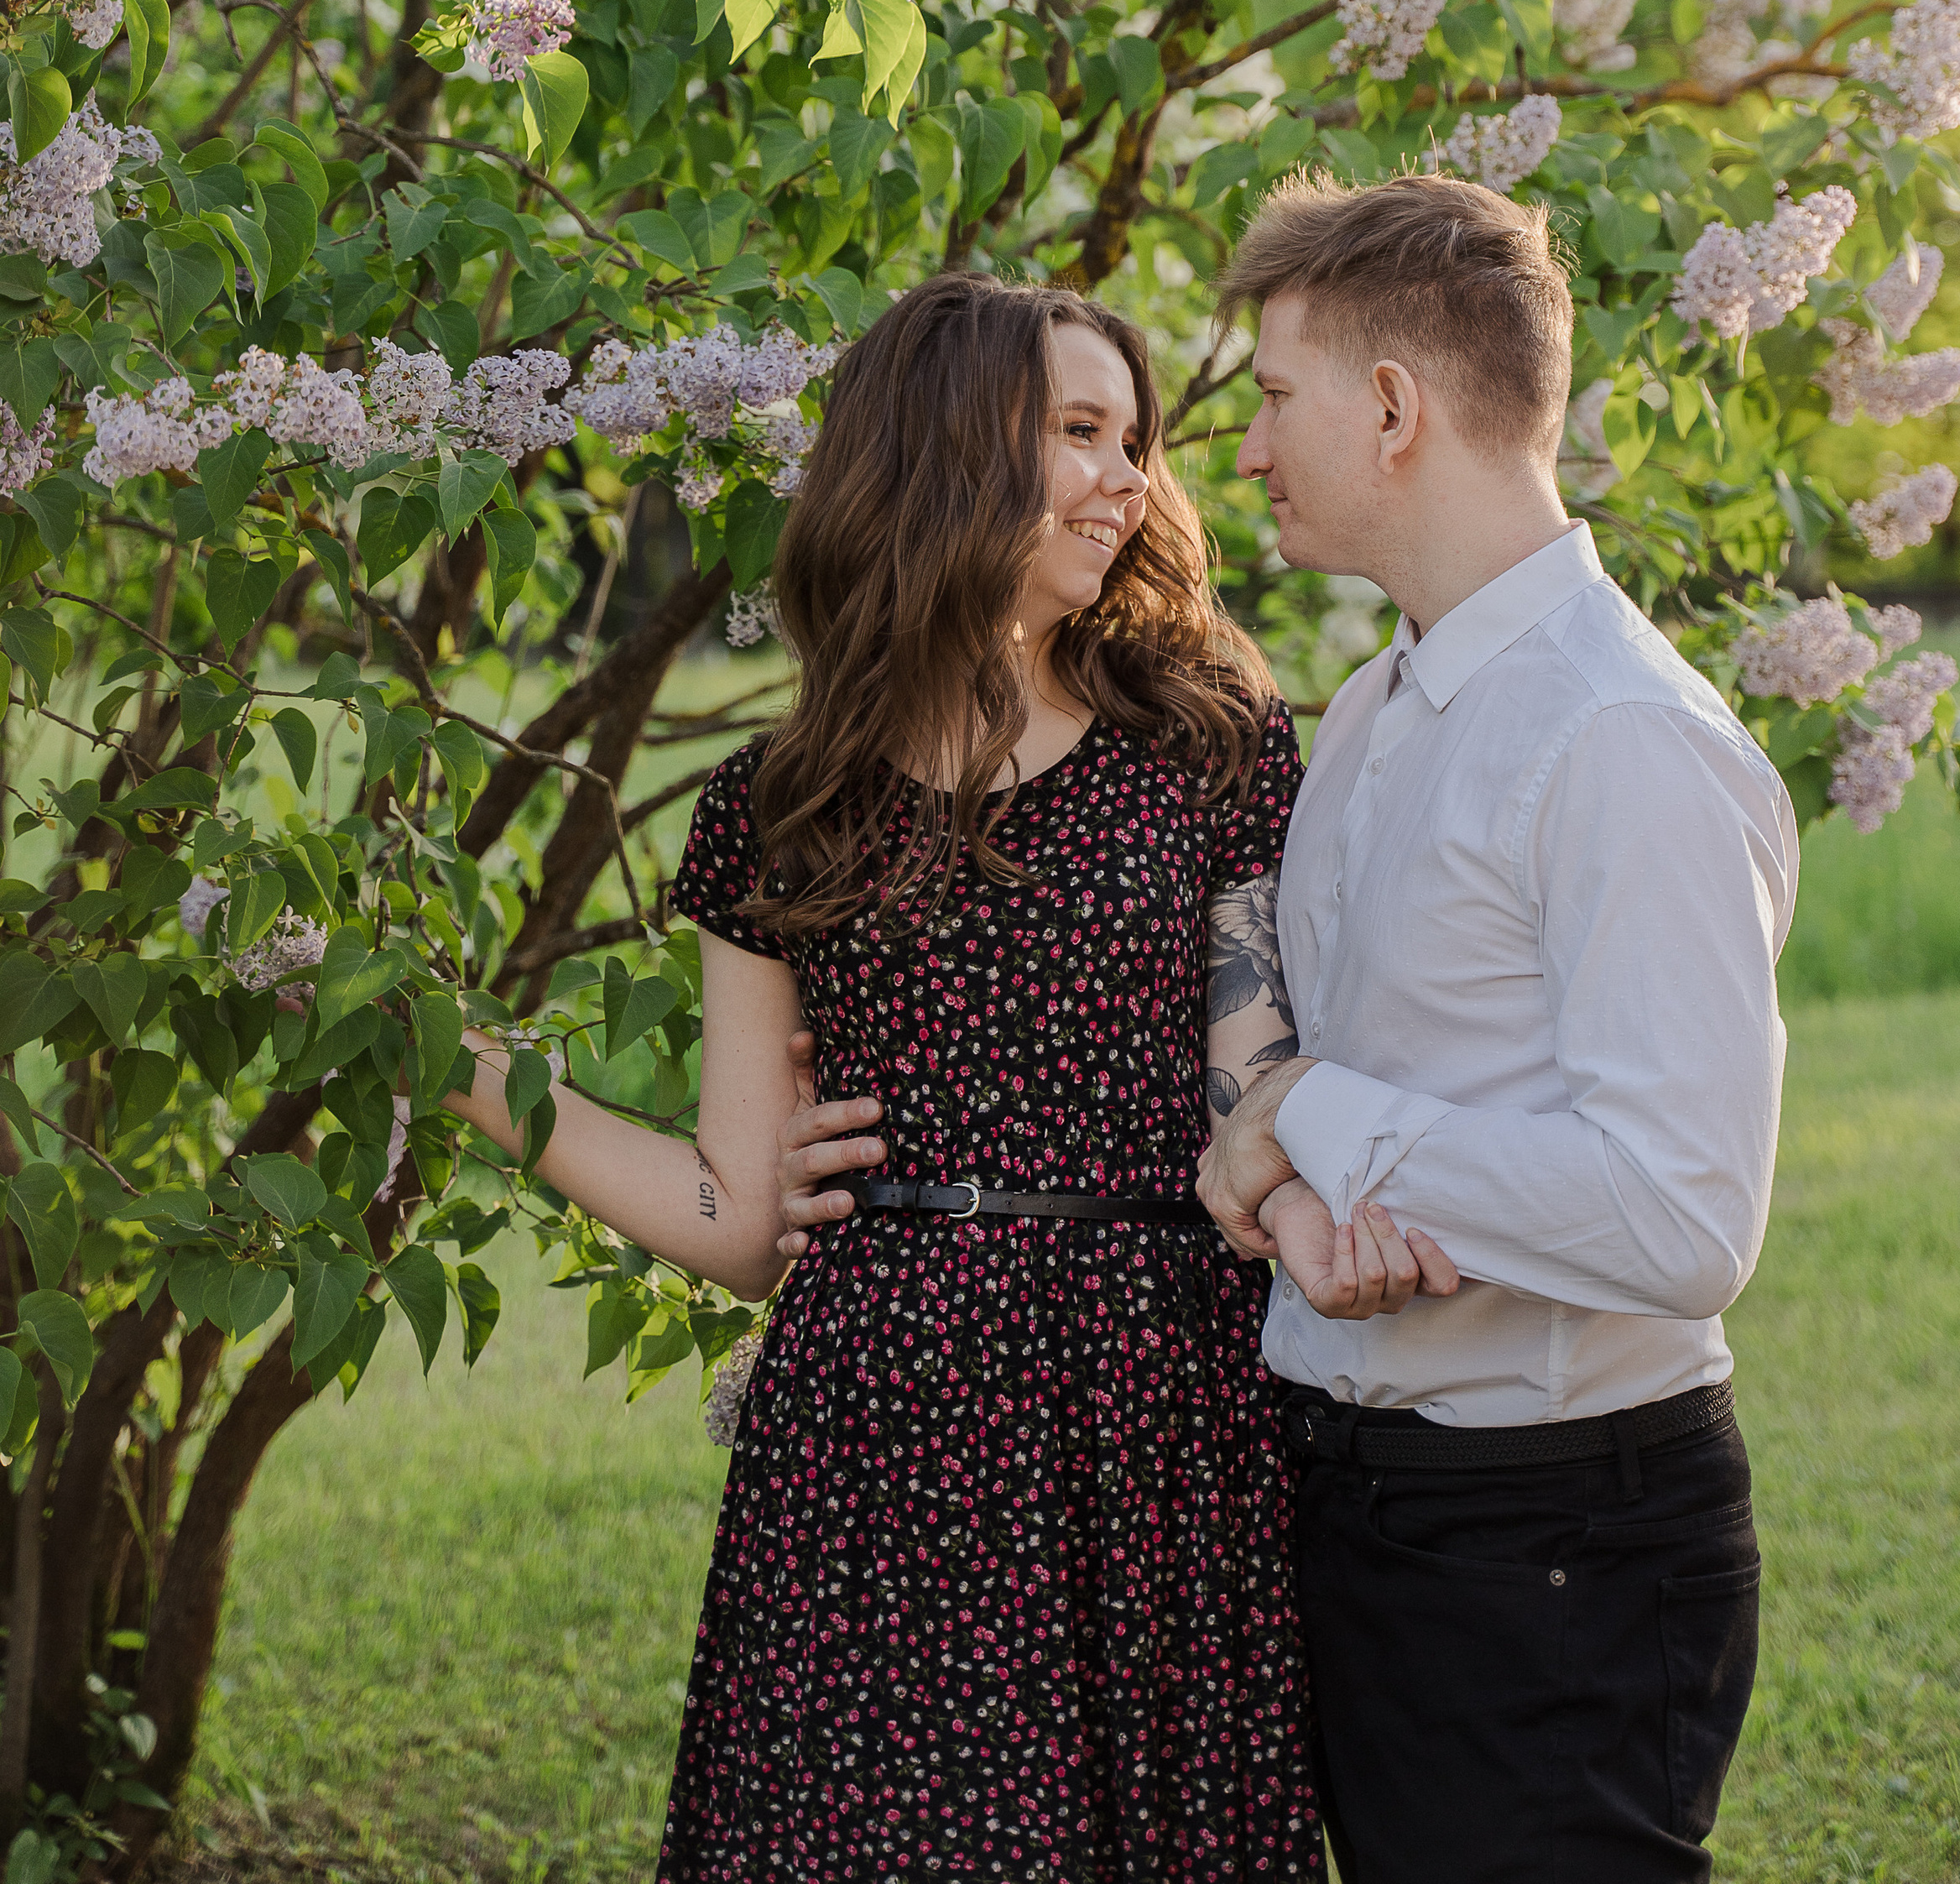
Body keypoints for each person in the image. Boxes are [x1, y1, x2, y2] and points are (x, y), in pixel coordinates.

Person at [449, 271, 1445, 1881]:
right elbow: (735, 1218)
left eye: (1136, 443)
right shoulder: (781, 806)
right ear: (946, 447)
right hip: (876, 1423)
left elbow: (1257, 1102)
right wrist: (464, 1072)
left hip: (1152, 1407)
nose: (1128, 480)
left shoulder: (1211, 744)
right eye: (1080, 432)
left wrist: (1343, 1210)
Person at [1196, 171, 1800, 1884]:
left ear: (1392, 408)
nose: (1248, 450)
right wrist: (1290, 1182)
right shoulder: (1373, 710)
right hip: (1357, 1501)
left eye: (1273, 398)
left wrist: (1311, 1116)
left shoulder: (1619, 738)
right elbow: (1361, 1087)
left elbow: (1684, 1219)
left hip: (1553, 1541)